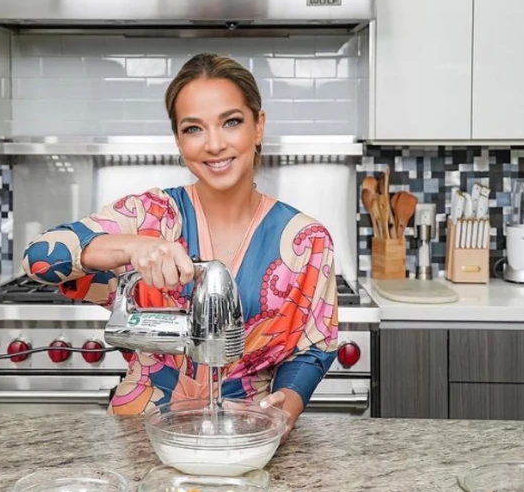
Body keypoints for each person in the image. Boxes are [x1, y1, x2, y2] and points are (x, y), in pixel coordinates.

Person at [21, 53, 339, 442]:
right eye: (194, 129)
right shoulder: (148, 216)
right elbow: (38, 258)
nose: (215, 144)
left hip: (249, 431)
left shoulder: (307, 240)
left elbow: (314, 346)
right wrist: (133, 247)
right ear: (178, 140)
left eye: (232, 122)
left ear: (259, 127)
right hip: (141, 431)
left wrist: (287, 404)